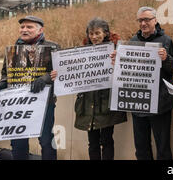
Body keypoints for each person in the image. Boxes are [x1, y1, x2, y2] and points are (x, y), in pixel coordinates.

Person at [51, 17, 127, 160]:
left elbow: (124, 73)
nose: (94, 37)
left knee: (106, 140)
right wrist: (59, 73)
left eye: (97, 33)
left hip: (106, 104)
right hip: (87, 104)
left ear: (105, 33)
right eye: (91, 34)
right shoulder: (82, 52)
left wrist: (117, 62)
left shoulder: (115, 50)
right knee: (92, 143)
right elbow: (72, 71)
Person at [0, 15, 58, 160]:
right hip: (18, 105)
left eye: (29, 27)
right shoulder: (13, 49)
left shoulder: (53, 47)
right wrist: (0, 84)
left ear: (40, 30)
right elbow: (6, 73)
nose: (24, 30)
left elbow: (62, 73)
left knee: (46, 141)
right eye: (22, 27)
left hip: (44, 104)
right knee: (18, 142)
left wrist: (45, 79)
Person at [111, 7, 173, 160]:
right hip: (138, 104)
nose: (143, 23)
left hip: (160, 105)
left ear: (155, 20)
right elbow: (126, 72)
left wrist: (166, 59)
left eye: (147, 19)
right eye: (140, 20)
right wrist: (118, 61)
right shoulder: (132, 42)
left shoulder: (166, 41)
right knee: (141, 148)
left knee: (163, 148)